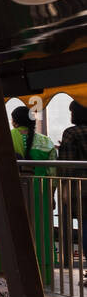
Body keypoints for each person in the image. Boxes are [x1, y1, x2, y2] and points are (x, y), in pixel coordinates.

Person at [11, 105, 57, 282]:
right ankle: (43, 276)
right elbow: (52, 172)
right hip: (40, 192)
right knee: (41, 233)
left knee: (13, 233)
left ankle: (12, 275)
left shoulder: (5, 136)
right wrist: (51, 195)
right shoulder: (46, 141)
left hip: (13, 191)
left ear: (14, 121)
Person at [59, 100, 87, 275]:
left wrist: (64, 189)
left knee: (86, 224)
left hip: (81, 187)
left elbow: (66, 166)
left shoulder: (71, 133)